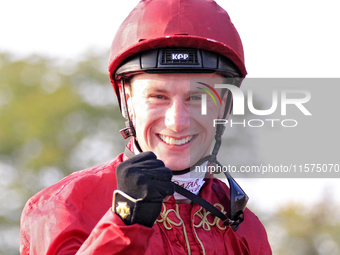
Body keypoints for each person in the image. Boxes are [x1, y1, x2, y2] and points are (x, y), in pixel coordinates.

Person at [20, 0, 272, 254]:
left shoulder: (247, 228)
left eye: (197, 98)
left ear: (225, 106)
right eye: (158, 97)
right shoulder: (63, 207)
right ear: (127, 101)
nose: (177, 122)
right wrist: (126, 221)